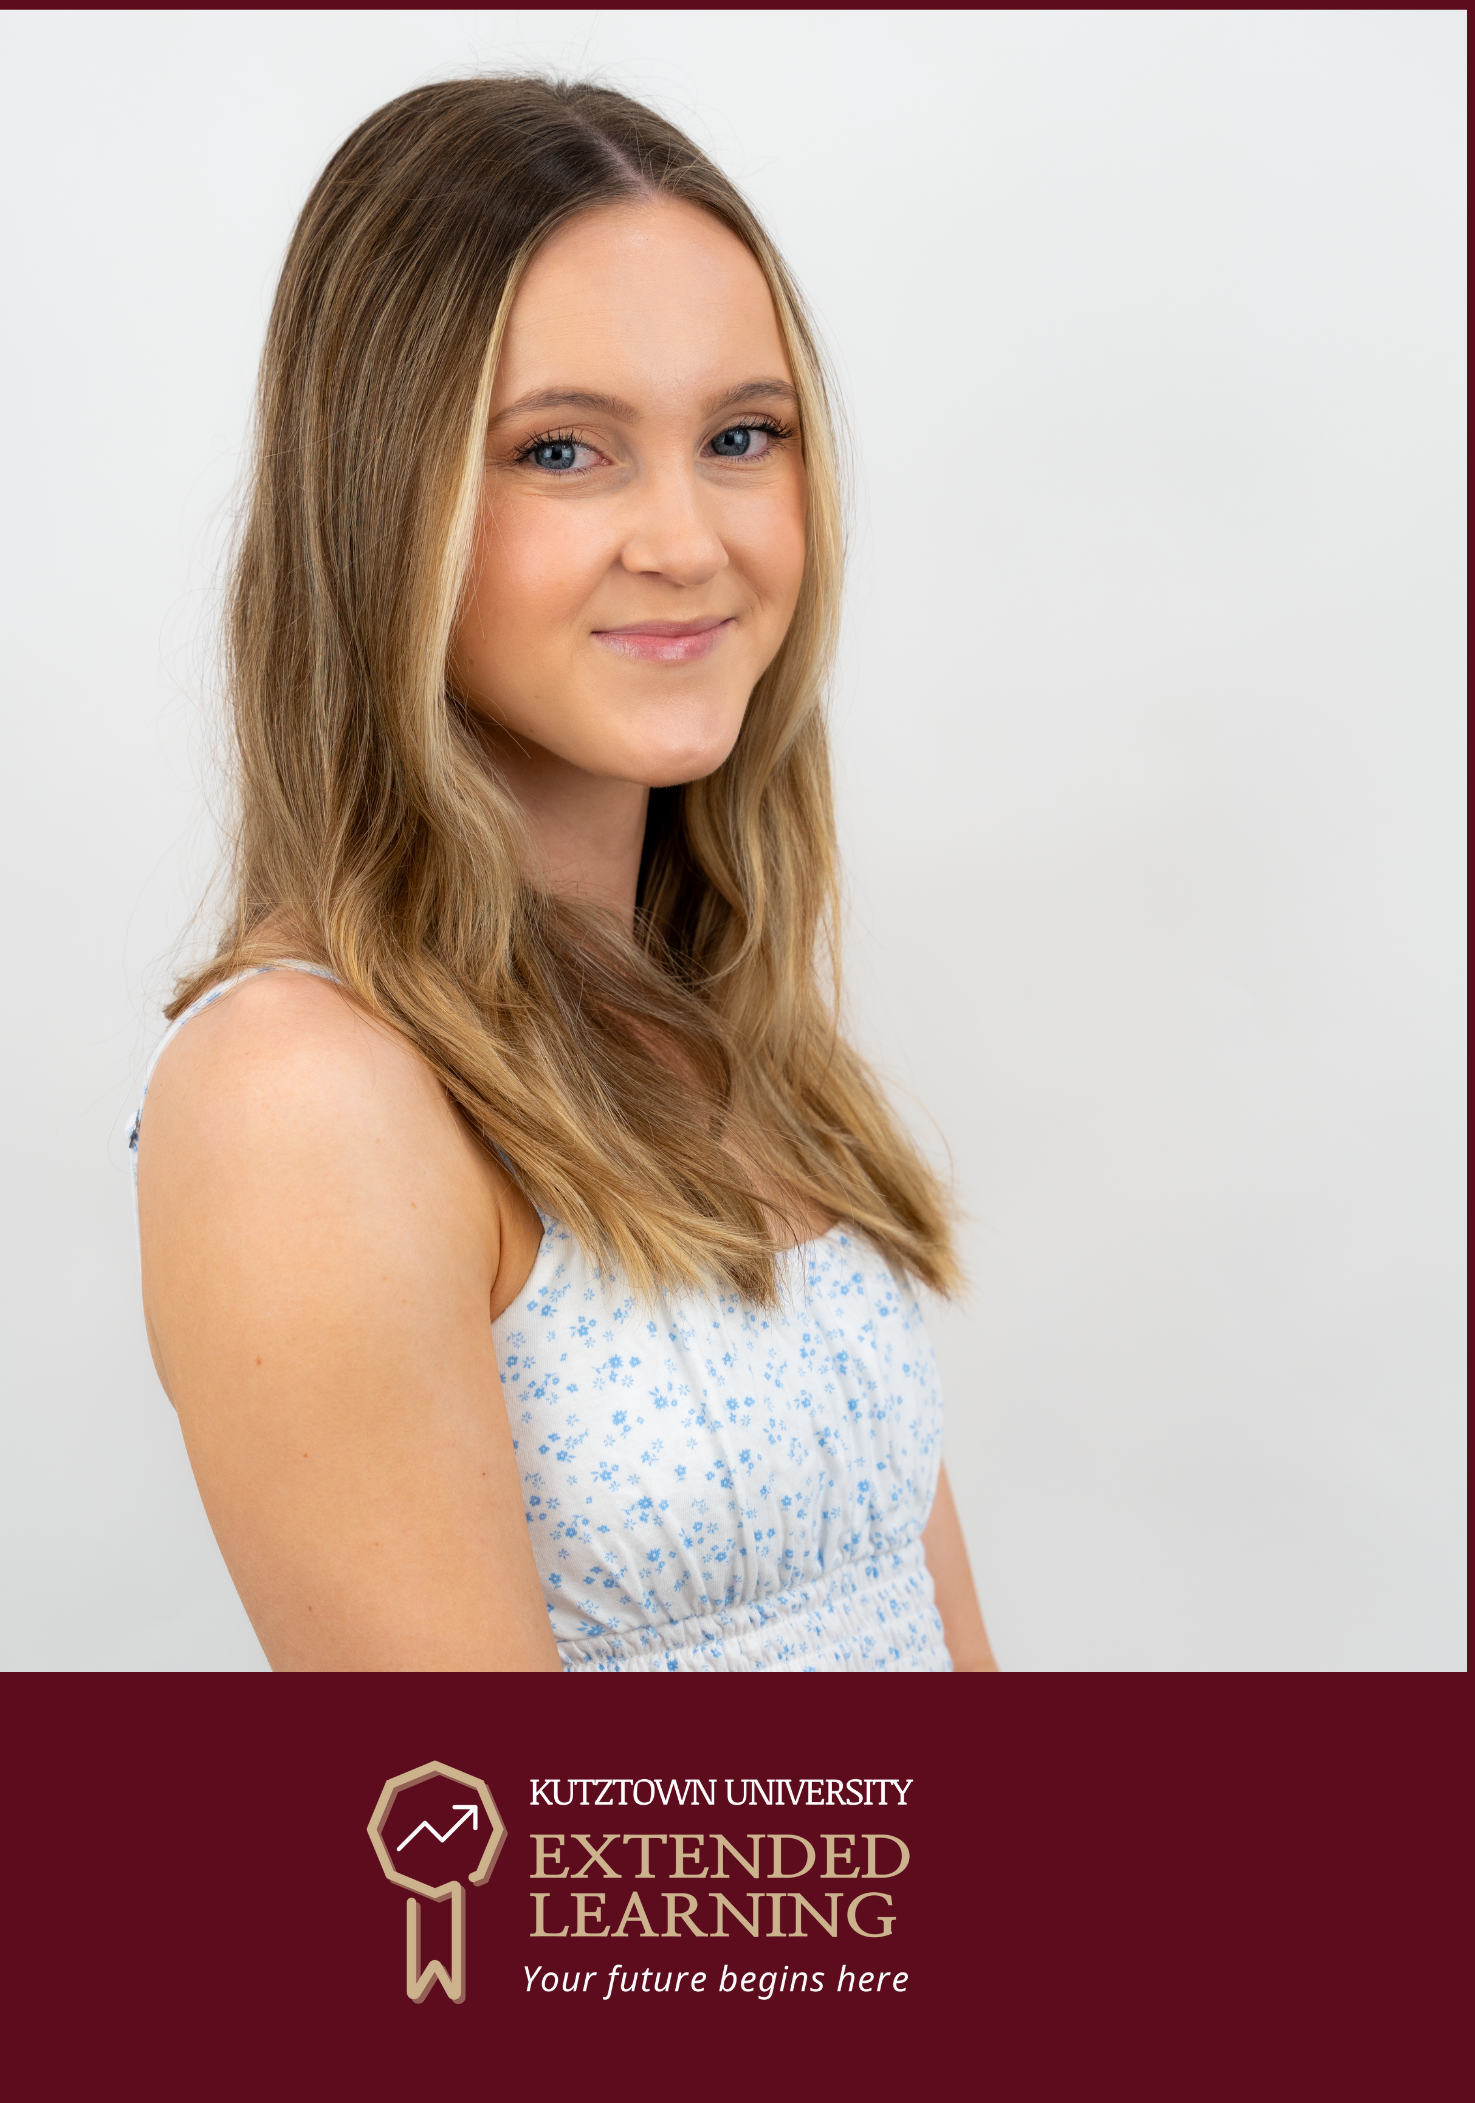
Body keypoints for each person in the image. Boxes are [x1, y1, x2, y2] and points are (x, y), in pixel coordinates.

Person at [132, 76, 996, 1673]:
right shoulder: (300, 1089)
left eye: (744, 435)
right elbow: (492, 1860)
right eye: (565, 451)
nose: (687, 537)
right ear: (384, 507)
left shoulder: (719, 1020)